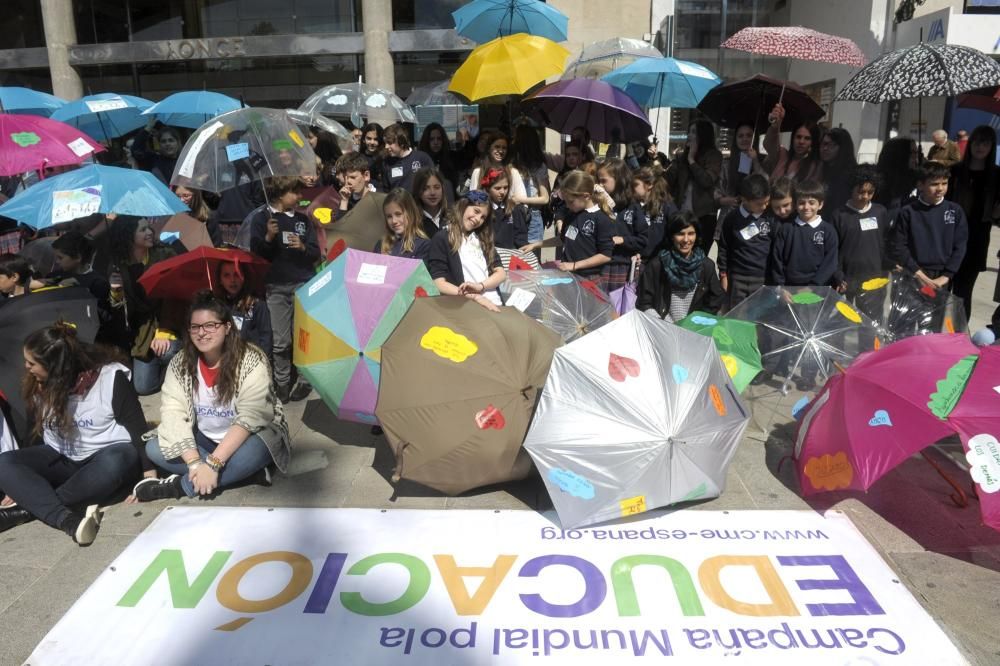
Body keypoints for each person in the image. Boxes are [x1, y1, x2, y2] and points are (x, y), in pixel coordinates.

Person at [0, 323, 149, 544]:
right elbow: (35, 437)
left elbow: (139, 429)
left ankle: (29, 509)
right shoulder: (38, 383)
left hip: (106, 456)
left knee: (117, 460)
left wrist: (149, 478)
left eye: (32, 363)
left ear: (54, 366)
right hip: (62, 457)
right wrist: (19, 481)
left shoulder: (110, 377)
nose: (27, 367)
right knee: (5, 463)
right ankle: (67, 520)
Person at [133, 292, 289, 501]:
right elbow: (173, 411)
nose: (202, 333)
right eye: (195, 327)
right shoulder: (180, 363)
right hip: (204, 440)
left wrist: (214, 464)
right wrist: (196, 463)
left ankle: (179, 487)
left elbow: (251, 416)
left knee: (262, 449)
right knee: (154, 447)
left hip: (248, 438)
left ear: (227, 327)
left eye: (210, 325)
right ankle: (245, 475)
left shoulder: (251, 359)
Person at [248, 176, 320, 403]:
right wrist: (269, 237)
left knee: (302, 338)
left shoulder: (302, 219)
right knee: (281, 341)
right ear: (280, 194)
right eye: (294, 192)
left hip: (302, 283)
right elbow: (257, 255)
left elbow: (315, 253)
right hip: (276, 287)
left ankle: (304, 379)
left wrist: (302, 247)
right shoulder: (262, 219)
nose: (300, 196)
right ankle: (281, 381)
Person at [106, 217, 182, 394]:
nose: (149, 232)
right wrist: (116, 292)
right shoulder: (118, 265)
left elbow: (175, 297)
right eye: (142, 230)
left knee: (168, 352)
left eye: (149, 228)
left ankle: (184, 366)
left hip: (168, 320)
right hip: (142, 331)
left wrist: (164, 331)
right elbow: (119, 312)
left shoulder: (165, 255)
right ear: (127, 236)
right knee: (143, 387)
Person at [888, 161, 968, 293]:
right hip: (912, 273)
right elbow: (899, 245)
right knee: (906, 313)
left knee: (936, 313)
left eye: (944, 183)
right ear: (920, 185)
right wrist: (918, 273)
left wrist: (947, 275)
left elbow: (960, 245)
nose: (940, 188)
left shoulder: (955, 210)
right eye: (934, 184)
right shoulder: (908, 211)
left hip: (941, 276)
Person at [947, 125, 1000, 318]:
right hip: (950, 237)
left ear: (992, 146)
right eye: (977, 141)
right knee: (940, 292)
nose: (980, 146)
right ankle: (934, 337)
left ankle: (959, 338)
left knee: (963, 293)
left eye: (985, 142)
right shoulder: (955, 171)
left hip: (977, 238)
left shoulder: (996, 174)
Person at [636, 211, 724, 321]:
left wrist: (697, 321)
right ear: (672, 236)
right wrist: (661, 323)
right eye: (681, 234)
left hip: (694, 330)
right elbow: (644, 302)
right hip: (663, 328)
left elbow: (715, 299)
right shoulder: (657, 265)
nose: (686, 240)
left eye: (691, 233)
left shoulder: (706, 265)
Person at [427, 191, 506, 312]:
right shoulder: (442, 238)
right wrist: (474, 296)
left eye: (483, 217)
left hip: (496, 303)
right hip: (467, 306)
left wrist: (480, 286)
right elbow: (438, 282)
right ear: (463, 206)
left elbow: (501, 273)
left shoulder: (482, 238)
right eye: (476, 211)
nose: (478, 219)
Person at [829, 164, 892, 298]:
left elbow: (885, 242)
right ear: (851, 189)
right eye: (861, 191)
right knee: (847, 317)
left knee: (872, 318)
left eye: (870, 192)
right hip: (848, 279)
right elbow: (833, 250)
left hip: (875, 278)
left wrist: (889, 265)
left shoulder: (880, 211)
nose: (865, 196)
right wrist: (838, 275)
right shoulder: (839, 215)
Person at [767, 179, 838, 288]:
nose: (806, 207)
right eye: (801, 203)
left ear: (820, 204)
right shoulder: (786, 229)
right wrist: (780, 286)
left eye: (811, 203)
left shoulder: (828, 231)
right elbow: (777, 260)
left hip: (817, 288)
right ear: (796, 204)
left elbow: (830, 263)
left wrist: (813, 286)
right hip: (788, 288)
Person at [717, 174, 774, 309]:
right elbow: (724, 247)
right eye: (760, 204)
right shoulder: (732, 218)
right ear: (745, 200)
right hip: (738, 278)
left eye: (767, 202)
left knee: (758, 316)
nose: (765, 206)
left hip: (762, 278)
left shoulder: (770, 218)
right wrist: (723, 274)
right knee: (737, 314)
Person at [665, 120, 723, 253]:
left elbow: (707, 181)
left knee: (699, 257)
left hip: (704, 216)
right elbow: (667, 181)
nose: (690, 136)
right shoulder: (681, 157)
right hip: (682, 215)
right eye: (689, 132)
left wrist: (692, 160)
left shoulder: (714, 156)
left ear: (703, 135)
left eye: (694, 132)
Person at [555, 171, 615, 285]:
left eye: (571, 202)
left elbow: (605, 255)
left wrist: (575, 265)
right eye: (566, 202)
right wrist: (537, 244)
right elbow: (563, 239)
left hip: (589, 279)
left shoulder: (601, 219)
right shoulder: (571, 214)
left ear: (586, 196)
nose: (567, 206)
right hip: (569, 275)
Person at [598, 158, 646, 292]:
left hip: (623, 266)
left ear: (618, 180)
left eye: (604, 181)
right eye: (598, 180)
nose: (600, 185)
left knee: (620, 309)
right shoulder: (598, 205)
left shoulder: (633, 207)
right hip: (600, 265)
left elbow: (643, 239)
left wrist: (622, 240)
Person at [510, 125, 552, 256]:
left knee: (531, 258)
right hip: (514, 214)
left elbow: (545, 198)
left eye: (515, 138)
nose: (512, 141)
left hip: (533, 216)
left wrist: (520, 199)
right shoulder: (513, 163)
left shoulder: (538, 166)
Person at [216, 261, 272, 356]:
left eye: (237, 274)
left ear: (244, 277)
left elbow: (266, 337)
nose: (232, 280)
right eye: (227, 275)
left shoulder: (257, 304)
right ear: (220, 280)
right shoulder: (217, 305)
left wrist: (260, 361)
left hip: (251, 361)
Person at [763, 103, 821, 183]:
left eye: (807, 138)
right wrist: (776, 125)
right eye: (798, 137)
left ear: (813, 142)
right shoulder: (783, 155)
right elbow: (768, 144)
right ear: (793, 138)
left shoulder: (814, 166)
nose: (801, 141)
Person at [717, 124, 765, 222]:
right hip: (730, 215)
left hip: (755, 216)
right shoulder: (727, 163)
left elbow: (765, 185)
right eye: (740, 136)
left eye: (749, 135)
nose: (744, 139)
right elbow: (717, 190)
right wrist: (727, 200)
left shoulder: (763, 160)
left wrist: (755, 161)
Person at [632, 166, 677, 260]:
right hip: (638, 258)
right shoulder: (633, 206)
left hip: (660, 258)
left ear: (649, 184)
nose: (632, 188)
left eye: (635, 185)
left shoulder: (667, 206)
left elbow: (675, 230)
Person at [481, 167, 528, 251]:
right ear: (488, 188)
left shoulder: (514, 209)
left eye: (505, 187)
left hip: (510, 255)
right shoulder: (483, 210)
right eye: (497, 188)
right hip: (490, 254)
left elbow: (521, 238)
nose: (502, 192)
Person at [875, 137, 921, 222]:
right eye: (912, 153)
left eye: (917, 153)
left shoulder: (916, 179)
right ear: (899, 154)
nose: (916, 158)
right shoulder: (879, 182)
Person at [377, 188, 431, 260]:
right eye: (389, 216)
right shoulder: (381, 244)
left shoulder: (423, 245)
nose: (394, 221)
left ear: (410, 213)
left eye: (398, 214)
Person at [817, 128, 858, 217]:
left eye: (830, 145)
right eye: (823, 144)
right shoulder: (821, 170)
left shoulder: (850, 175)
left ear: (842, 147)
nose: (824, 148)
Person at [382, 124, 432, 192]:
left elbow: (433, 182)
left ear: (401, 142)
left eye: (389, 143)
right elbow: (386, 191)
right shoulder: (387, 163)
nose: (386, 147)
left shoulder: (422, 158)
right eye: (385, 143)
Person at [131, 120, 182, 185]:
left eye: (171, 140)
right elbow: (136, 150)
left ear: (177, 142)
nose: (167, 144)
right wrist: (148, 128)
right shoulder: (154, 160)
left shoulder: (185, 162)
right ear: (159, 144)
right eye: (163, 141)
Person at [411, 166, 454, 239]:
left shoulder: (453, 216)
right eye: (426, 188)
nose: (432, 193)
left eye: (437, 187)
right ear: (418, 191)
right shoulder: (412, 221)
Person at [417, 123, 458, 192]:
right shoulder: (420, 159)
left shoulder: (450, 158)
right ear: (426, 141)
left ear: (443, 140)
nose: (436, 142)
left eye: (439, 139)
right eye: (432, 139)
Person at [336, 152, 377, 221]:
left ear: (366, 176)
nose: (348, 182)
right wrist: (344, 201)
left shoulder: (381, 198)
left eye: (353, 177)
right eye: (346, 177)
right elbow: (340, 229)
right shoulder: (346, 200)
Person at [360, 122, 385, 189]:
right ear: (363, 140)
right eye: (369, 138)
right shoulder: (358, 158)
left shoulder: (385, 158)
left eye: (376, 139)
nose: (372, 142)